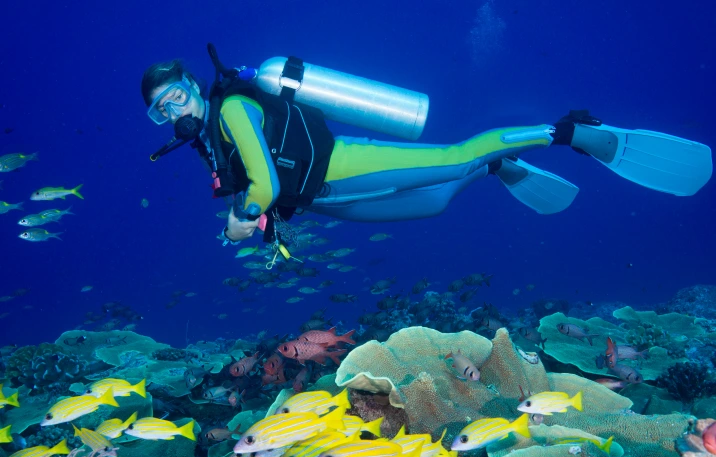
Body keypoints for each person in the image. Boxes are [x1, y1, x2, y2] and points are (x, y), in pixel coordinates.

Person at [141, 49, 712, 248]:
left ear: (193, 83)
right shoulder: (209, 143)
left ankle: (567, 132)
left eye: (176, 95)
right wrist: (253, 219)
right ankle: (496, 168)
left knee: (451, 156)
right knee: (437, 201)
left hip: (341, 165)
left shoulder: (232, 109)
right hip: (323, 198)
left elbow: (262, 186)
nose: (174, 110)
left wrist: (242, 222)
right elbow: (261, 188)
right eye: (160, 108)